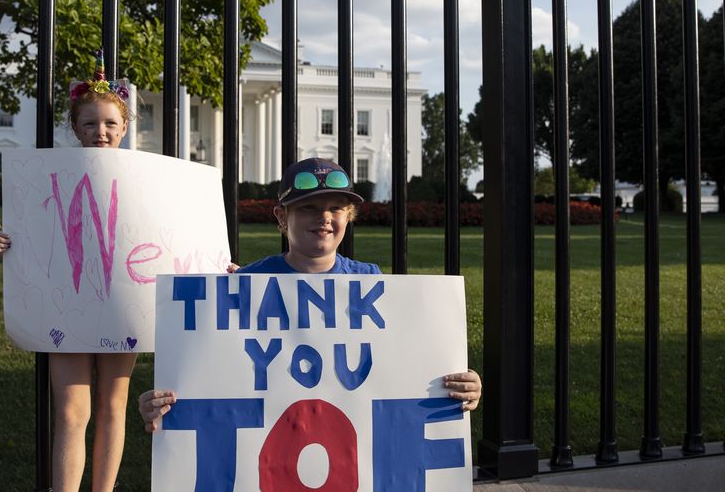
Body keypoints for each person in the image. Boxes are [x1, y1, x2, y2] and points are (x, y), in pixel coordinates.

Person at [138, 157, 482, 432]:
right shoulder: (246, 284)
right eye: (308, 208)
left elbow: (401, 368)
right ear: (281, 217)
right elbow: (208, 373)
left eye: (336, 208)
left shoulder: (370, 282)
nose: (325, 218)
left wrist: (455, 386)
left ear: (349, 217)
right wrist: (161, 405)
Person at [0, 49, 135, 492]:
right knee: (72, 411)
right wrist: (8, 242)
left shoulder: (145, 178)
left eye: (111, 123)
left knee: (114, 407)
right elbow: (33, 228)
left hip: (120, 302)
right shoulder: (49, 174)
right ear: (75, 128)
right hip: (65, 302)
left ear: (125, 128)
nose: (101, 132)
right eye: (90, 123)